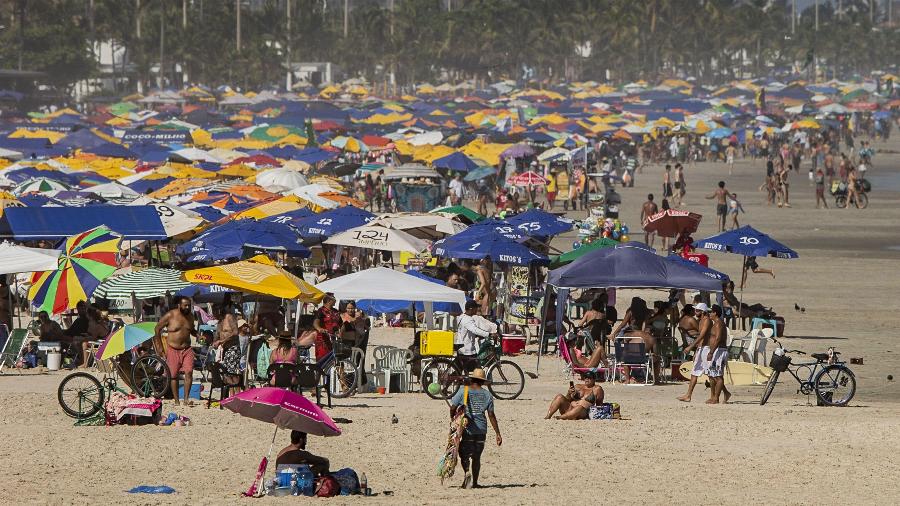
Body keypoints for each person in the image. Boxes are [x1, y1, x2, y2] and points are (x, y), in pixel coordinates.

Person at [449, 368, 501, 489]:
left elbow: (452, 407)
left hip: (468, 430)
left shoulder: (463, 391)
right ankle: (475, 482)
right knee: (477, 457)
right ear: (482, 382)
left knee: (463, 452)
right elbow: (491, 415)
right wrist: (498, 433)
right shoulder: (488, 395)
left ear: (471, 379)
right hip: (482, 430)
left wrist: (453, 419)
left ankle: (467, 471)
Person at [152, 296, 197, 405]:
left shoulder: (190, 317)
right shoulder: (170, 315)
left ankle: (186, 399)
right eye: (185, 305)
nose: (187, 307)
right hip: (173, 349)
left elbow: (192, 331)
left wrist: (198, 335)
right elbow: (157, 328)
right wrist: (159, 347)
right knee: (173, 376)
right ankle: (176, 400)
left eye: (189, 305)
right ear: (179, 305)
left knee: (189, 372)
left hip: (187, 349)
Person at [677, 303, 711, 402]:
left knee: (712, 375)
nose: (695, 312)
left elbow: (702, 335)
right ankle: (688, 395)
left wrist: (691, 347)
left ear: (703, 311)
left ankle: (719, 395)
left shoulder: (706, 321)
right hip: (700, 348)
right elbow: (700, 336)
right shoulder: (698, 321)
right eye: (694, 310)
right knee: (695, 372)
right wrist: (696, 349)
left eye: (697, 310)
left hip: (706, 348)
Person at [455, 300, 492, 372]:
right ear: (471, 309)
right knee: (478, 372)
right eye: (476, 308)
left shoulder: (461, 316)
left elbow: (468, 332)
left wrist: (480, 336)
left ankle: (449, 380)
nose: (477, 310)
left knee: (459, 371)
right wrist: (489, 334)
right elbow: (474, 330)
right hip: (467, 350)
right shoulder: (468, 319)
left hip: (462, 348)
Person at [705, 305, 731, 404]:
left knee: (718, 376)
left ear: (715, 313)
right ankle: (714, 396)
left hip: (719, 350)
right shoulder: (715, 323)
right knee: (711, 375)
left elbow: (718, 338)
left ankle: (716, 397)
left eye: (711, 312)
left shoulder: (719, 323)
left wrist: (711, 352)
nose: (709, 314)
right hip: (715, 350)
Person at [313, 294, 340, 361]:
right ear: (329, 301)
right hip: (322, 340)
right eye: (334, 299)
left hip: (333, 339)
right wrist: (319, 329)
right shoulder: (321, 311)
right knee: (322, 359)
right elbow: (315, 322)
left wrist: (339, 332)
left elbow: (340, 324)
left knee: (334, 359)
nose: (336, 300)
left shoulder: (335, 311)